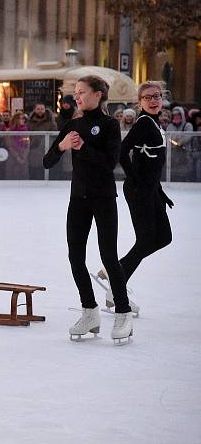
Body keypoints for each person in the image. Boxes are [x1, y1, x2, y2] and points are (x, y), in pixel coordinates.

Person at [43, 75, 133, 344]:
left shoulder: (108, 125)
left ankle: (123, 312)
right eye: (76, 93)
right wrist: (62, 145)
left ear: (98, 95)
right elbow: (48, 161)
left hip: (103, 197)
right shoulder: (73, 125)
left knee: (108, 256)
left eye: (82, 92)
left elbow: (110, 163)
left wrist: (83, 148)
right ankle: (89, 310)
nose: (77, 97)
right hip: (78, 199)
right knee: (75, 256)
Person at [97, 82, 173, 313]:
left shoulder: (154, 122)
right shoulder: (143, 123)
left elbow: (150, 163)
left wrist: (158, 191)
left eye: (157, 96)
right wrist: (135, 179)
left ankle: (115, 272)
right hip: (139, 191)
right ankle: (116, 283)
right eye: (148, 97)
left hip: (150, 190)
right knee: (147, 240)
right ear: (139, 102)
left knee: (164, 237)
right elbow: (122, 151)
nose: (153, 100)